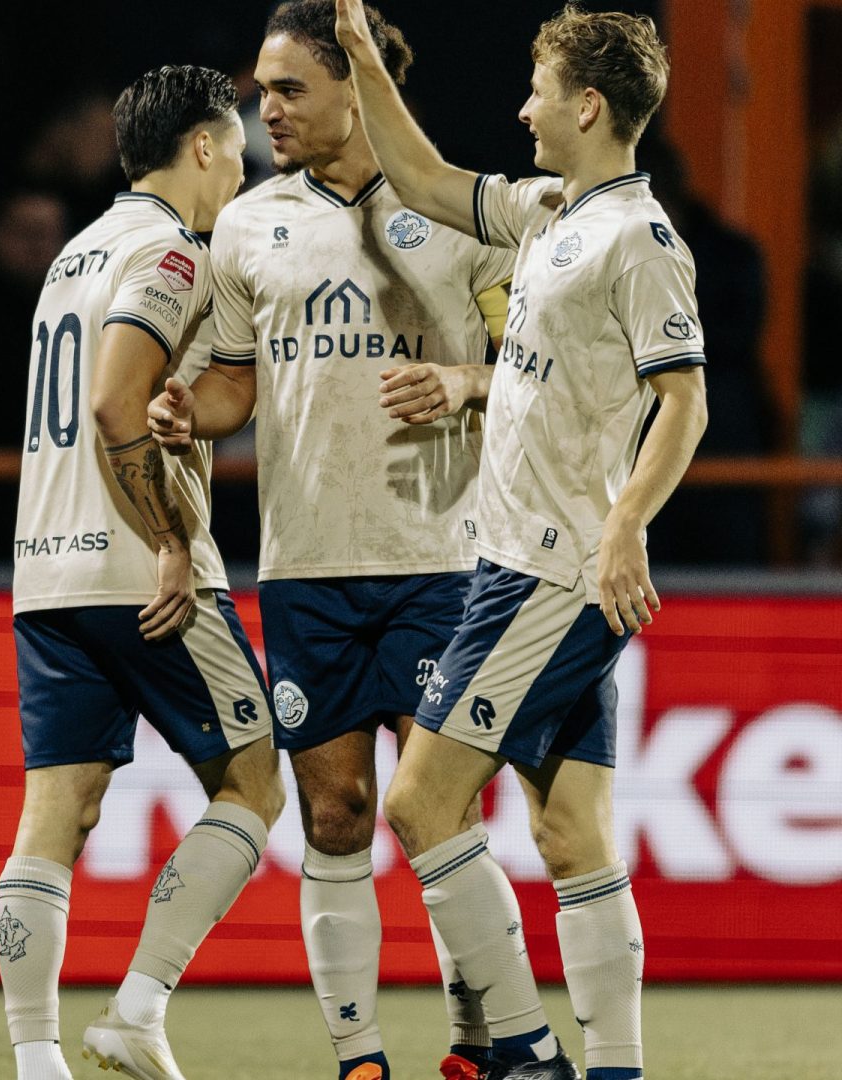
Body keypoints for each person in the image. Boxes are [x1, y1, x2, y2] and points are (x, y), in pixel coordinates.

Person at [334, 1, 710, 1076]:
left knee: (419, 800)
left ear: (588, 106)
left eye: (539, 89)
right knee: (571, 834)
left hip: (556, 569)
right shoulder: (550, 210)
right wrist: (364, 60)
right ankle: (617, 1068)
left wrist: (627, 525)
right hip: (522, 560)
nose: (523, 107)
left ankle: (527, 1049)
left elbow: (683, 402)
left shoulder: (640, 239)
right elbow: (423, 177)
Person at [144, 5, 514, 1076]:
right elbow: (229, 382)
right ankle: (358, 1058)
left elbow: (529, 371)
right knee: (338, 812)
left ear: (360, 87)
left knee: (441, 811)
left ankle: (478, 1039)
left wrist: (463, 381)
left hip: (443, 559)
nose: (268, 108)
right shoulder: (250, 224)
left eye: (291, 88)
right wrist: (185, 412)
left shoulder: (459, 210)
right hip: (307, 565)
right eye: (264, 88)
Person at [0, 64, 283, 1080]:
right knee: (253, 785)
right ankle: (137, 1008)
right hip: (142, 570)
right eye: (236, 144)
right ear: (201, 146)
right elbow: (120, 403)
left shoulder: (76, 251)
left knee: (55, 814)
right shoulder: (172, 251)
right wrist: (168, 536)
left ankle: (37, 1062)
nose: (244, 161)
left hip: (47, 571)